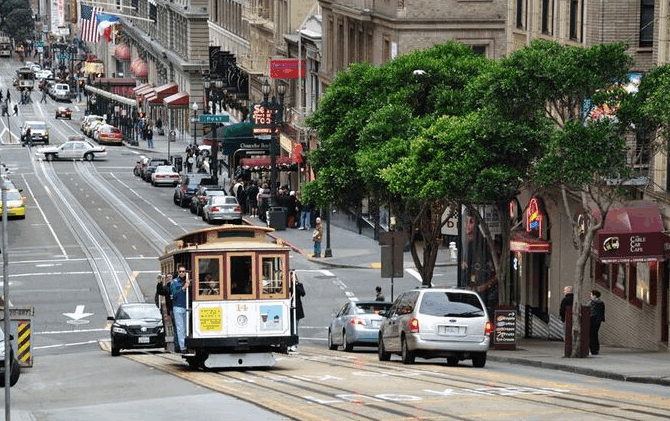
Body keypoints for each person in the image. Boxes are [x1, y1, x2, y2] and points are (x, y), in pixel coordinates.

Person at [170, 265, 190, 353]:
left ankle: (188, 344)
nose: (182, 273)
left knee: (187, 328)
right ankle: (183, 347)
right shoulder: (174, 282)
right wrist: (184, 288)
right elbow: (174, 294)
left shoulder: (188, 281)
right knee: (180, 328)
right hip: (178, 307)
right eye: (180, 271)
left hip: (187, 307)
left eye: (183, 271)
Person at [289, 270, 305, 353]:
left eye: (294, 277)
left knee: (295, 326)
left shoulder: (299, 285)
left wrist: (296, 285)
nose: (292, 279)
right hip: (289, 308)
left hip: (297, 309)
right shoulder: (288, 286)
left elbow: (303, 293)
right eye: (291, 278)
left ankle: (294, 344)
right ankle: (289, 343)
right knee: (290, 327)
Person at [589, 290, 605, 355]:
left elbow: (591, 311)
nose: (590, 296)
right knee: (595, 334)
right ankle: (596, 349)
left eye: (591, 294)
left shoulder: (593, 303)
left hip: (593, 320)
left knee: (591, 335)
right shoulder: (601, 303)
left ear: (594, 296)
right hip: (598, 321)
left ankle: (593, 349)